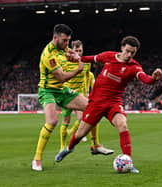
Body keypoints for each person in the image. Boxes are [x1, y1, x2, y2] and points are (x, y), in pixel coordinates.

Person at [54, 36, 162, 173]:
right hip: (96, 102)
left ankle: (128, 161)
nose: (129, 55)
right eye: (128, 51)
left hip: (113, 103)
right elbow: (90, 58)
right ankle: (68, 149)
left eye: (133, 53)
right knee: (80, 134)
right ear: (122, 47)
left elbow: (145, 79)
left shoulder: (134, 67)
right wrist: (77, 58)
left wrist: (153, 78)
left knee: (122, 124)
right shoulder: (108, 56)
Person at [31, 24, 111, 172]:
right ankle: (37, 158)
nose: (67, 44)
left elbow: (73, 55)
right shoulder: (49, 54)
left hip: (63, 91)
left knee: (93, 108)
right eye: (64, 40)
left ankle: (95, 145)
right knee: (52, 121)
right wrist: (78, 68)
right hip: (48, 90)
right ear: (55, 38)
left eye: (68, 40)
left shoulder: (64, 48)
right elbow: (61, 77)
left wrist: (76, 57)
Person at [59, 40, 114, 155]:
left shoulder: (86, 63)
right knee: (65, 121)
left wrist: (86, 93)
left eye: (80, 50)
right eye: (76, 50)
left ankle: (94, 144)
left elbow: (85, 78)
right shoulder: (65, 62)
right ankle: (62, 146)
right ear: (72, 50)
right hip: (67, 94)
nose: (78, 53)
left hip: (79, 95)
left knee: (90, 114)